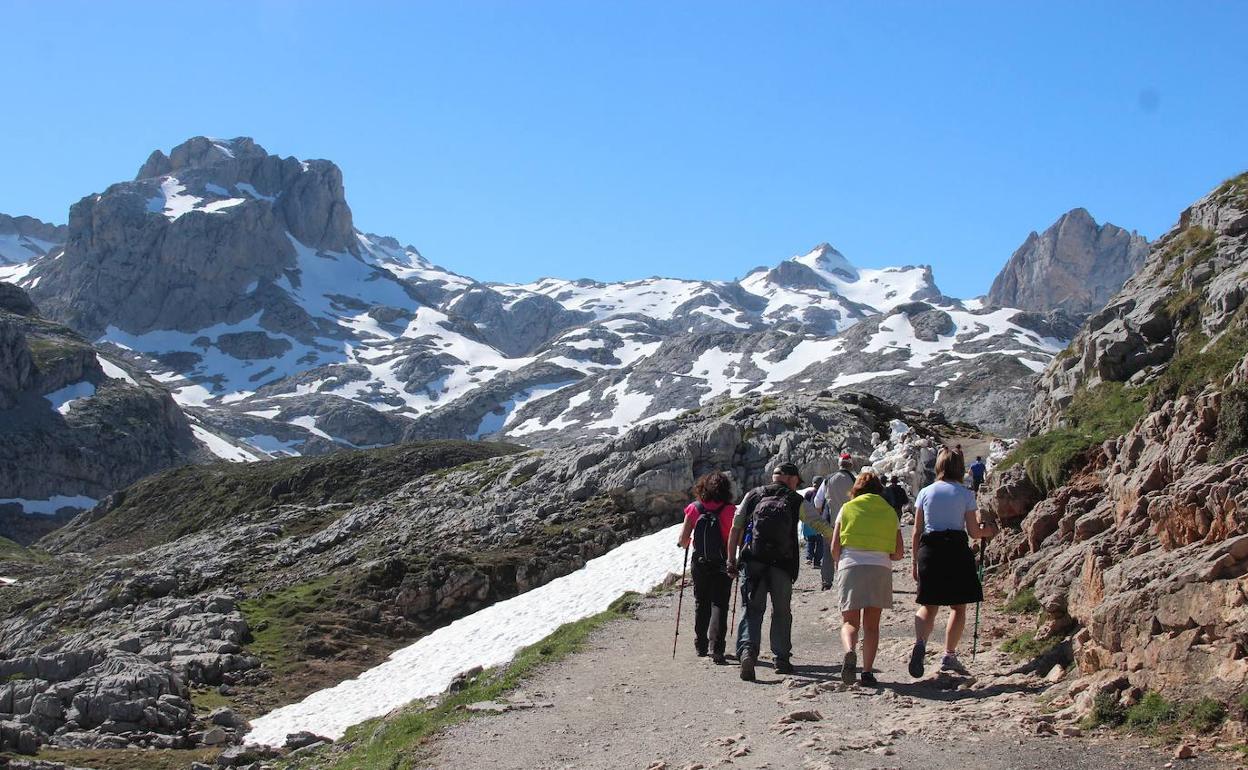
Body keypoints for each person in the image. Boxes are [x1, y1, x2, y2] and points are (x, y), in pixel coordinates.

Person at [726, 461, 824, 681]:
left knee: (751, 610)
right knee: (781, 612)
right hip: (782, 564)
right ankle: (781, 659)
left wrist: (731, 560)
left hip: (753, 563)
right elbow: (819, 524)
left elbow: (736, 527)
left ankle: (747, 653)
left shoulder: (753, 495)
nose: (797, 484)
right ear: (790, 478)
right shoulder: (794, 499)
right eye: (797, 480)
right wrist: (841, 543)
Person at [908, 448, 999, 677]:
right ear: (959, 468)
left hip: (929, 549)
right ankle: (949, 654)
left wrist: (914, 562)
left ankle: (920, 643)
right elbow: (973, 531)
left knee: (928, 605)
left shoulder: (925, 492)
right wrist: (989, 530)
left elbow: (916, 531)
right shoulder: (966, 494)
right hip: (956, 550)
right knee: (958, 607)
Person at [831, 471, 905, 686]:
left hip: (851, 566)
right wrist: (884, 553)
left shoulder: (847, 508)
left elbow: (835, 546)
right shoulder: (889, 511)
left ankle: (849, 652)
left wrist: (839, 563)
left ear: (856, 489)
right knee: (872, 626)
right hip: (880, 568)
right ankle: (867, 672)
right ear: (879, 489)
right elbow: (899, 553)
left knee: (849, 622)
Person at [677, 472, 737, 664]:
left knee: (701, 602)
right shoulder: (730, 510)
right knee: (720, 603)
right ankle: (717, 648)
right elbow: (735, 540)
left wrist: (689, 543)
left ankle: (701, 645)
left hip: (700, 562)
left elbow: (683, 540)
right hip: (723, 562)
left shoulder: (695, 509)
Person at [814, 453, 856, 590]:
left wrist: (821, 513)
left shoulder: (828, 479)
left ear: (839, 464)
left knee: (828, 552)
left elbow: (818, 501)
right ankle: (846, 579)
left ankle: (826, 582)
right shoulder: (854, 480)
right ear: (851, 464)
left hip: (830, 521)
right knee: (848, 552)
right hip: (850, 522)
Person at [801, 475, 825, 567]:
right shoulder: (823, 495)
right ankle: (817, 562)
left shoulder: (808, 493)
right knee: (820, 542)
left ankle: (809, 557)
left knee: (810, 540)